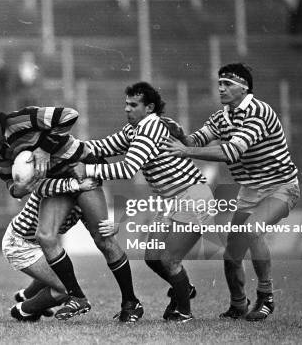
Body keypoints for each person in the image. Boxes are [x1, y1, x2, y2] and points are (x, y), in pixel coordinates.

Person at [0, 97, 142, 322]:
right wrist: (20, 188)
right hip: (58, 184)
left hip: (81, 168)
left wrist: (44, 149)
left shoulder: (21, 120)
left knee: (103, 239)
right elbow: (11, 185)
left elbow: (69, 115)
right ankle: (77, 297)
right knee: (44, 236)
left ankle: (131, 302)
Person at [160, 63, 300, 321]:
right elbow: (196, 141)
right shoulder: (221, 117)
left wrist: (186, 151)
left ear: (244, 88)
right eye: (220, 83)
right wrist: (181, 135)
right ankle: (238, 304)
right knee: (232, 254)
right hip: (249, 192)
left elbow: (231, 151)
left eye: (227, 84)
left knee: (251, 230)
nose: (221, 88)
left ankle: (266, 297)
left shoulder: (258, 111)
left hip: (281, 187)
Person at [70, 82, 212, 322]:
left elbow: (127, 168)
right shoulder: (134, 129)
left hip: (194, 196)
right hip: (169, 200)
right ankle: (184, 289)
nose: (127, 109)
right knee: (152, 258)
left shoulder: (151, 127)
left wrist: (88, 169)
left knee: (168, 259)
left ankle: (184, 313)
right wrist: (70, 147)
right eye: (126, 104)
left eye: (133, 105)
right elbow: (104, 145)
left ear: (149, 108)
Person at [4, 177, 99, 321]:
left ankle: (27, 296)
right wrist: (77, 185)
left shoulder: (82, 196)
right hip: (20, 244)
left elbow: (94, 228)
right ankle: (23, 310)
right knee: (70, 290)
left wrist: (110, 227)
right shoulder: (53, 183)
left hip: (41, 244)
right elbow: (40, 186)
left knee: (65, 277)